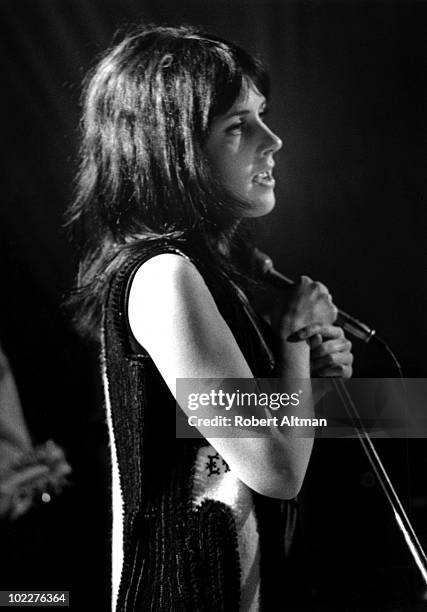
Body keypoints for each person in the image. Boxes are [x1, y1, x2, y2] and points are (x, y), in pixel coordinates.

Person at [67, 25, 353, 611]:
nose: (272, 141)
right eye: (237, 127)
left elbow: (249, 446)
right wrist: (296, 337)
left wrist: (312, 383)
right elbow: (275, 468)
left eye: (263, 115)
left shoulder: (208, 277)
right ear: (173, 151)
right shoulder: (164, 277)